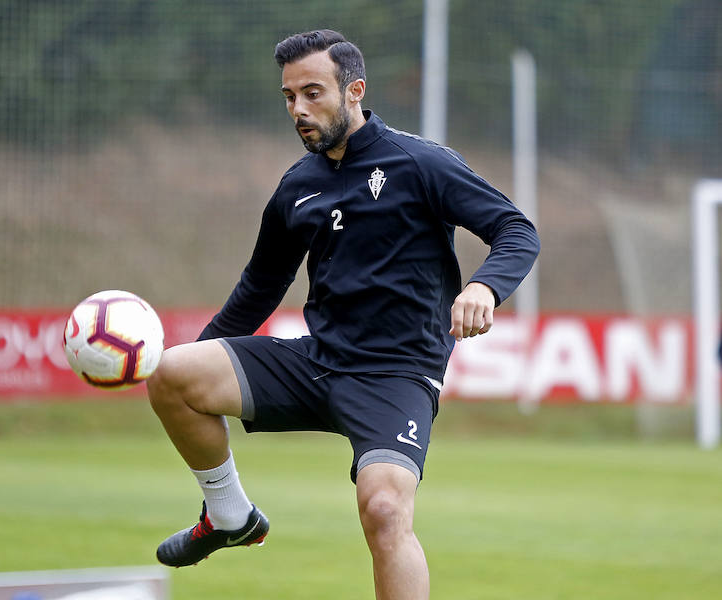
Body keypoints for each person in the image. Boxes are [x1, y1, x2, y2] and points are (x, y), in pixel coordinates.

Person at [147, 29, 540, 600]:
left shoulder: (420, 163)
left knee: (383, 511)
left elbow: (516, 230)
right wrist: (204, 352)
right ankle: (229, 515)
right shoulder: (297, 187)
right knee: (172, 373)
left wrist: (485, 286)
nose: (299, 110)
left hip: (397, 374)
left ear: (354, 90)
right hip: (317, 361)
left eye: (313, 93)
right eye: (289, 97)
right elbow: (261, 284)